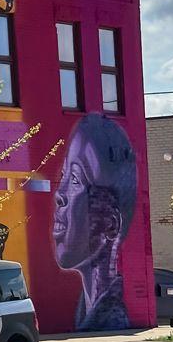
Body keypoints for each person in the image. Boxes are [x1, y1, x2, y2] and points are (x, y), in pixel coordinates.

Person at [52, 114, 138, 331]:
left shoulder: (113, 320)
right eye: (63, 176)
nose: (59, 194)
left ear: (111, 225)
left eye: (74, 180)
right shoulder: (86, 314)